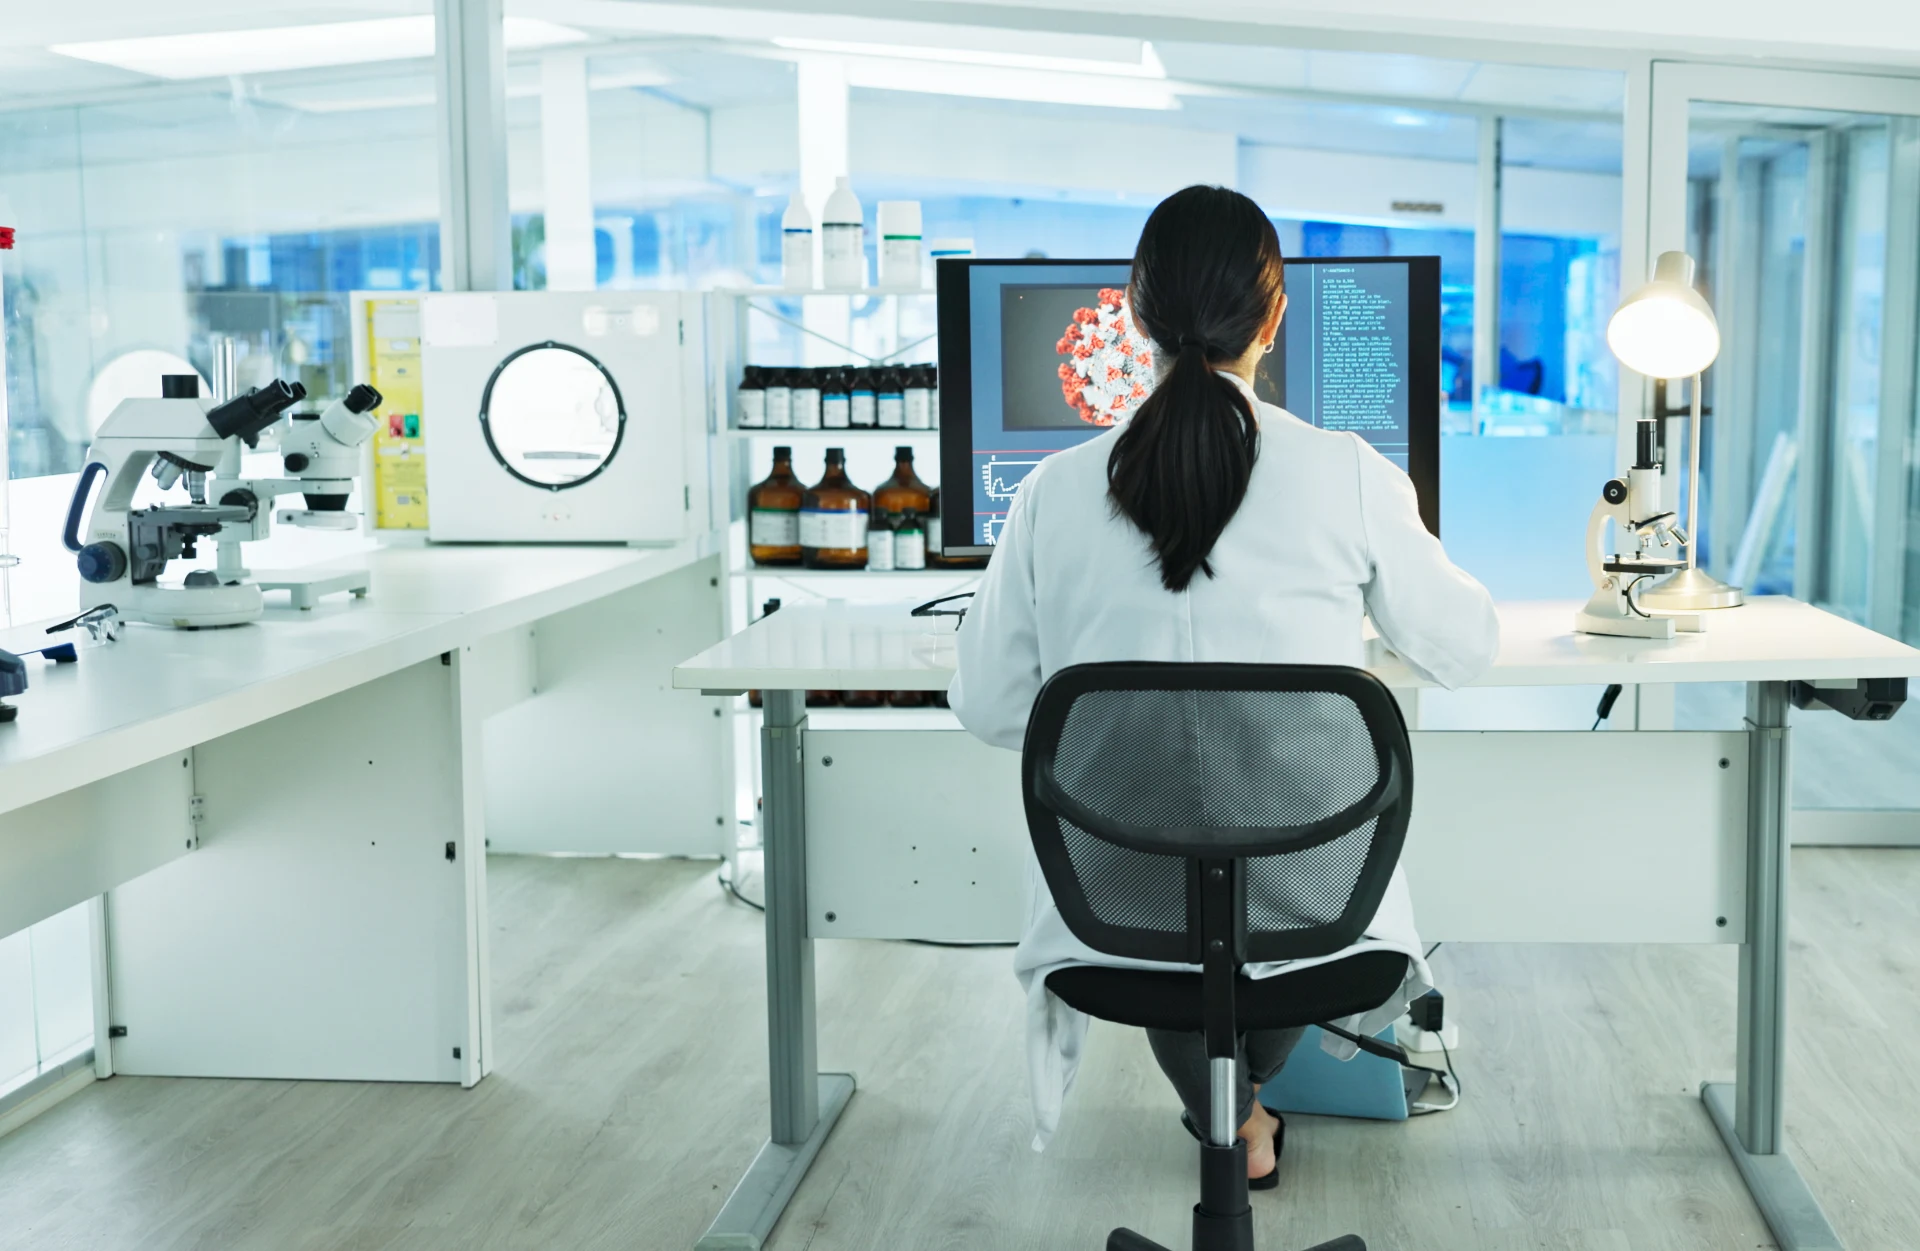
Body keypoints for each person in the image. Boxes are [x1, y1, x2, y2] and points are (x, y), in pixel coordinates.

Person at [948, 185, 1500, 1179]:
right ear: (1275, 317)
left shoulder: (1051, 492)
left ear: (1132, 314)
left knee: (1170, 876)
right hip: (1314, 899)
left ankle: (1232, 1118)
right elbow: (1466, 648)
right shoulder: (1347, 472)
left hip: (1114, 902)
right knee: (1266, 913)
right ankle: (1244, 1113)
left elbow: (988, 705)